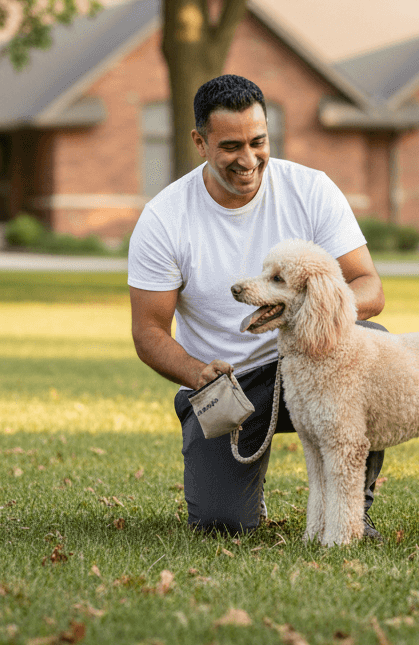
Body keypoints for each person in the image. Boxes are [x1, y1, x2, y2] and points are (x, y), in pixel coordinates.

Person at [128, 74, 387, 536]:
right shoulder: (164, 218)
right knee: (222, 524)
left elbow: (368, 286)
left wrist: (310, 312)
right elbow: (149, 332)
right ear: (200, 142)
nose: (248, 160)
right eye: (230, 147)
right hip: (228, 385)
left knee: (368, 342)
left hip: (309, 359)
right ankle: (243, 487)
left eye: (258, 142)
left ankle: (352, 509)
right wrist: (196, 374)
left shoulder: (310, 189)